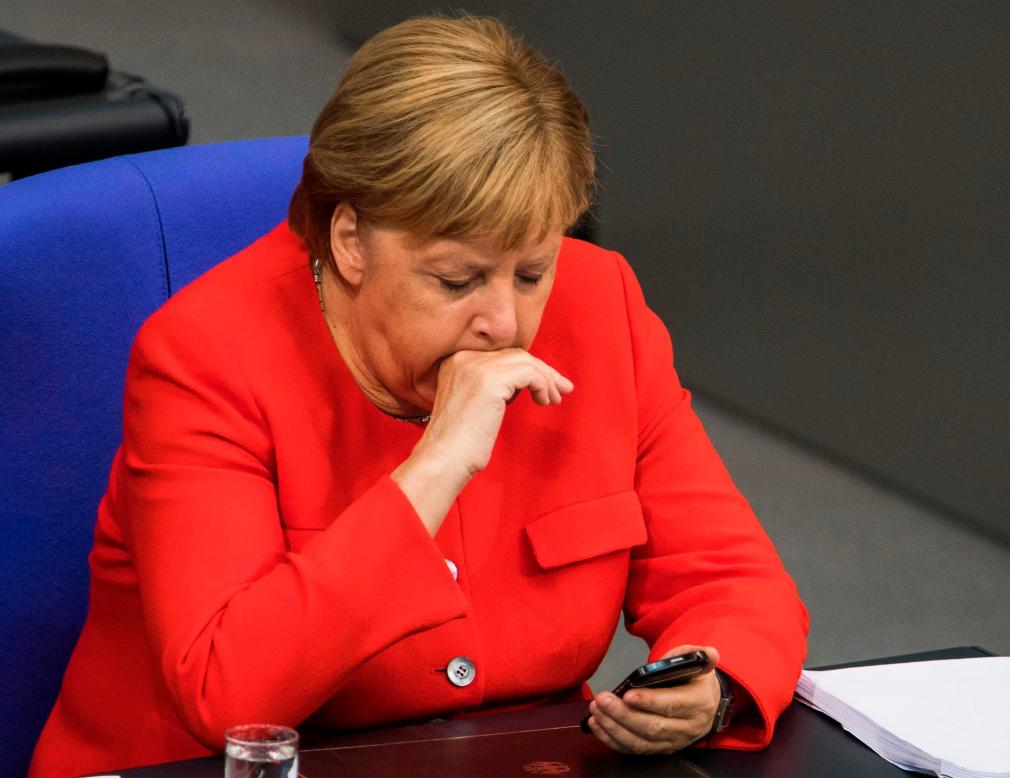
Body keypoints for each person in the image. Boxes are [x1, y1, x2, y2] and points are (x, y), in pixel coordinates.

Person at [30, 14, 808, 777]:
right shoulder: (205, 358)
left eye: (531, 272)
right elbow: (227, 696)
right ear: (348, 241)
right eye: (457, 280)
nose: (505, 322)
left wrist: (715, 689)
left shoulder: (602, 309)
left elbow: (732, 581)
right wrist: (433, 470)